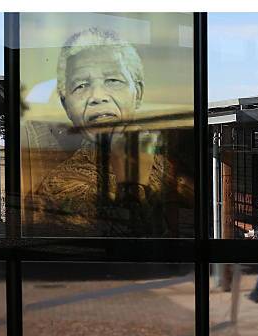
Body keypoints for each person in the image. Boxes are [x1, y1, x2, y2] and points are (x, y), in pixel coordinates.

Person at [31, 28, 193, 237]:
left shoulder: (166, 163)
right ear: (66, 105)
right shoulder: (62, 185)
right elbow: (132, 239)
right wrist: (134, 184)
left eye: (113, 81)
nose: (98, 96)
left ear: (138, 94)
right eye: (81, 85)